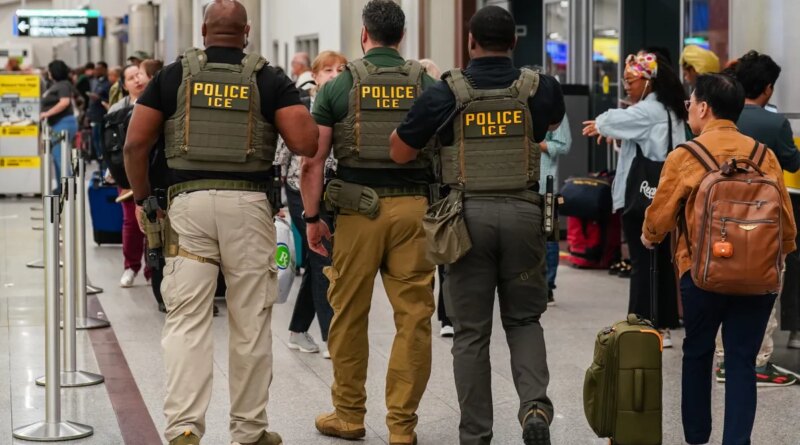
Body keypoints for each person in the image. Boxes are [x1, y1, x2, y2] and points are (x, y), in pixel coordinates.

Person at [124, 1, 318, 444]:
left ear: (203, 29)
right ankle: (249, 432)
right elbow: (306, 142)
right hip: (249, 208)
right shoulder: (268, 78)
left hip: (187, 207)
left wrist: (144, 200)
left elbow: (135, 146)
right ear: (246, 31)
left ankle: (184, 427)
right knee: (249, 320)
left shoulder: (172, 76)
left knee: (187, 319)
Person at [391, 6, 566, 445]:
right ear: (513, 42)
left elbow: (400, 151)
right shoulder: (540, 87)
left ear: (470, 42)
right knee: (525, 320)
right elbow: (551, 125)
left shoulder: (446, 91)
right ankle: (534, 408)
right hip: (526, 213)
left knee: (470, 333)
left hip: (465, 219)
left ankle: (475, 434)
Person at [302, 2, 436, 443]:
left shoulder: (338, 86)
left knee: (348, 315)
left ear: (364, 35)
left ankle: (349, 415)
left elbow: (313, 161)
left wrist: (313, 217)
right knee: (413, 318)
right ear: (401, 37)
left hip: (358, 214)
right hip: (415, 210)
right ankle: (401, 428)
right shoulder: (427, 84)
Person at [641, 72, 797, 445]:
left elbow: (660, 216)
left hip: (701, 275)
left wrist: (649, 237)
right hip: (758, 279)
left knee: (697, 352)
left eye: (691, 103)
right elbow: (787, 225)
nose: (689, 109)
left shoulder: (686, 155)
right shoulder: (765, 155)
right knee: (741, 362)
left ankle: (697, 438)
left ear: (704, 108)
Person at [582, 51, 688, 347]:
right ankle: (664, 325)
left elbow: (612, 119)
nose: (626, 86)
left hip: (641, 198)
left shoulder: (647, 111)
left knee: (642, 262)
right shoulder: (671, 110)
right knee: (664, 262)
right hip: (666, 197)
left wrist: (602, 125)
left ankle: (643, 325)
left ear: (648, 81)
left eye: (630, 80)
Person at [713, 50, 800, 386]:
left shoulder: (722, 121)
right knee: (765, 286)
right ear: (767, 88)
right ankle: (757, 360)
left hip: (719, 222)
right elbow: (792, 163)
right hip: (762, 223)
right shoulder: (774, 124)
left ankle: (723, 360)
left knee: (724, 287)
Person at [275, 50, 346, 358]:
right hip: (299, 189)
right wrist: (277, 201)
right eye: (327, 70)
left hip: (334, 191)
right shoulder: (302, 108)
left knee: (320, 260)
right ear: (314, 76)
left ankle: (297, 330)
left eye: (340, 69)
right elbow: (282, 157)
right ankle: (332, 337)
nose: (334, 74)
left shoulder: (345, 109)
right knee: (322, 260)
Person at [110, 64, 150, 288]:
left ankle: (152, 269)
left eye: (139, 75)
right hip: (127, 173)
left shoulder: (158, 103)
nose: (137, 80)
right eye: (131, 77)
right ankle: (130, 266)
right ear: (124, 85)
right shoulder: (118, 109)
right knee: (131, 222)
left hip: (153, 172)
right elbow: (111, 146)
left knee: (154, 222)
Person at [540, 115, 572, 306]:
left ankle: (547, 287)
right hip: (517, 186)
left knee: (549, 239)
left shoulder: (553, 110)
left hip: (545, 187)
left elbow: (564, 145)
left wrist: (537, 145)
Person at [40, 60, 78, 192]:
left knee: (59, 156)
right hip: (59, 123)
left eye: (50, 70)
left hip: (63, 123)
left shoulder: (62, 85)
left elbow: (64, 102)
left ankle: (67, 188)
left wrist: (46, 113)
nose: (48, 72)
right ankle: (62, 187)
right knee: (57, 156)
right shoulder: (58, 85)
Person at [87, 61, 110, 162]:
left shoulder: (108, 84)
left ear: (104, 70)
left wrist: (99, 99)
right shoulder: (95, 82)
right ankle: (100, 164)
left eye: (98, 69)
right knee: (96, 142)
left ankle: (104, 165)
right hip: (94, 115)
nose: (95, 71)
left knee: (101, 142)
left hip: (102, 116)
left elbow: (109, 100)